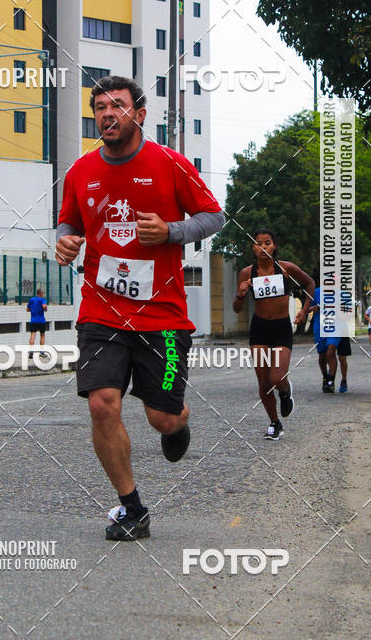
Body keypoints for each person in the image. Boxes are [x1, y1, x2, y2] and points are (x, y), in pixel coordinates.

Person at [55, 75, 224, 541]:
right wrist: (65, 241)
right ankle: (133, 508)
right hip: (101, 310)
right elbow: (69, 219)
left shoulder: (170, 164)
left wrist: (170, 232)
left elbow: (213, 216)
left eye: (118, 106)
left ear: (140, 114)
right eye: (100, 107)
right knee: (102, 402)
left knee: (161, 417)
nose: (107, 114)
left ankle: (178, 423)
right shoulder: (81, 171)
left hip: (162, 316)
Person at [233, 229, 315, 440]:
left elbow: (309, 283)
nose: (262, 247)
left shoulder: (286, 268)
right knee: (264, 383)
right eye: (258, 244)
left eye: (267, 243)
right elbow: (236, 308)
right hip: (259, 329)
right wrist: (240, 295)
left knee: (277, 378)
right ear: (253, 248)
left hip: (281, 328)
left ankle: (285, 391)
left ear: (274, 246)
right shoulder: (246, 273)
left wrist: (304, 310)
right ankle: (274, 422)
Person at [311, 287, 339, 393]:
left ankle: (331, 381)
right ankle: (325, 377)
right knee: (322, 355)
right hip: (320, 327)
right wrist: (314, 308)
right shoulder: (317, 292)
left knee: (331, 350)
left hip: (335, 327)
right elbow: (309, 307)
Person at [27, 288, 48, 352]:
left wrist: (33, 310)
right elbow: (44, 307)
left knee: (33, 334)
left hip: (33, 320)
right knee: (42, 335)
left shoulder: (32, 300)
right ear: (41, 293)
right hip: (41, 321)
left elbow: (27, 309)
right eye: (43, 293)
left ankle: (31, 351)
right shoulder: (43, 300)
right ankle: (41, 351)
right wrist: (45, 308)